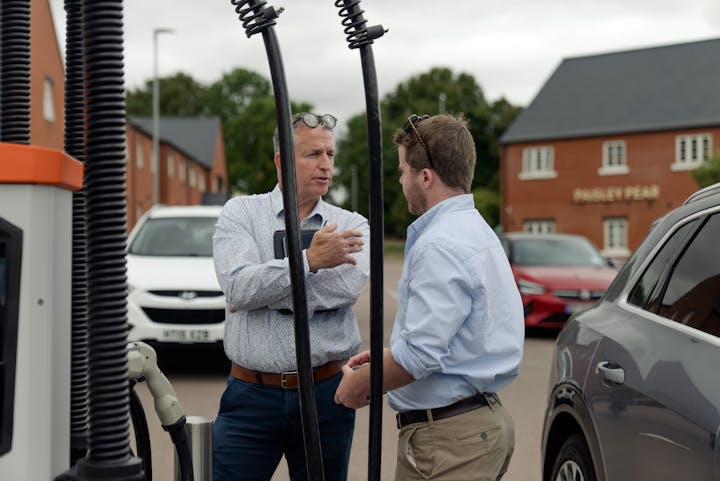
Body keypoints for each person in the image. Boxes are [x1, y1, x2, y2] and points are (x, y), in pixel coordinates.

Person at [334, 114, 524, 481]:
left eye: (404, 171)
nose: (401, 180)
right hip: (469, 429)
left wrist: (360, 386)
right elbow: (450, 335)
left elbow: (418, 357)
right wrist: (389, 357)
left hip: (451, 439)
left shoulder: (440, 244)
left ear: (425, 176)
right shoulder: (472, 229)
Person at [212, 112, 370, 481]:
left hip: (326, 396)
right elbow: (237, 287)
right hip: (250, 396)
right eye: (314, 154)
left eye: (330, 155)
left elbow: (347, 287)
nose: (326, 165)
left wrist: (264, 289)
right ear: (282, 160)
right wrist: (310, 261)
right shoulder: (240, 213)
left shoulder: (352, 224)